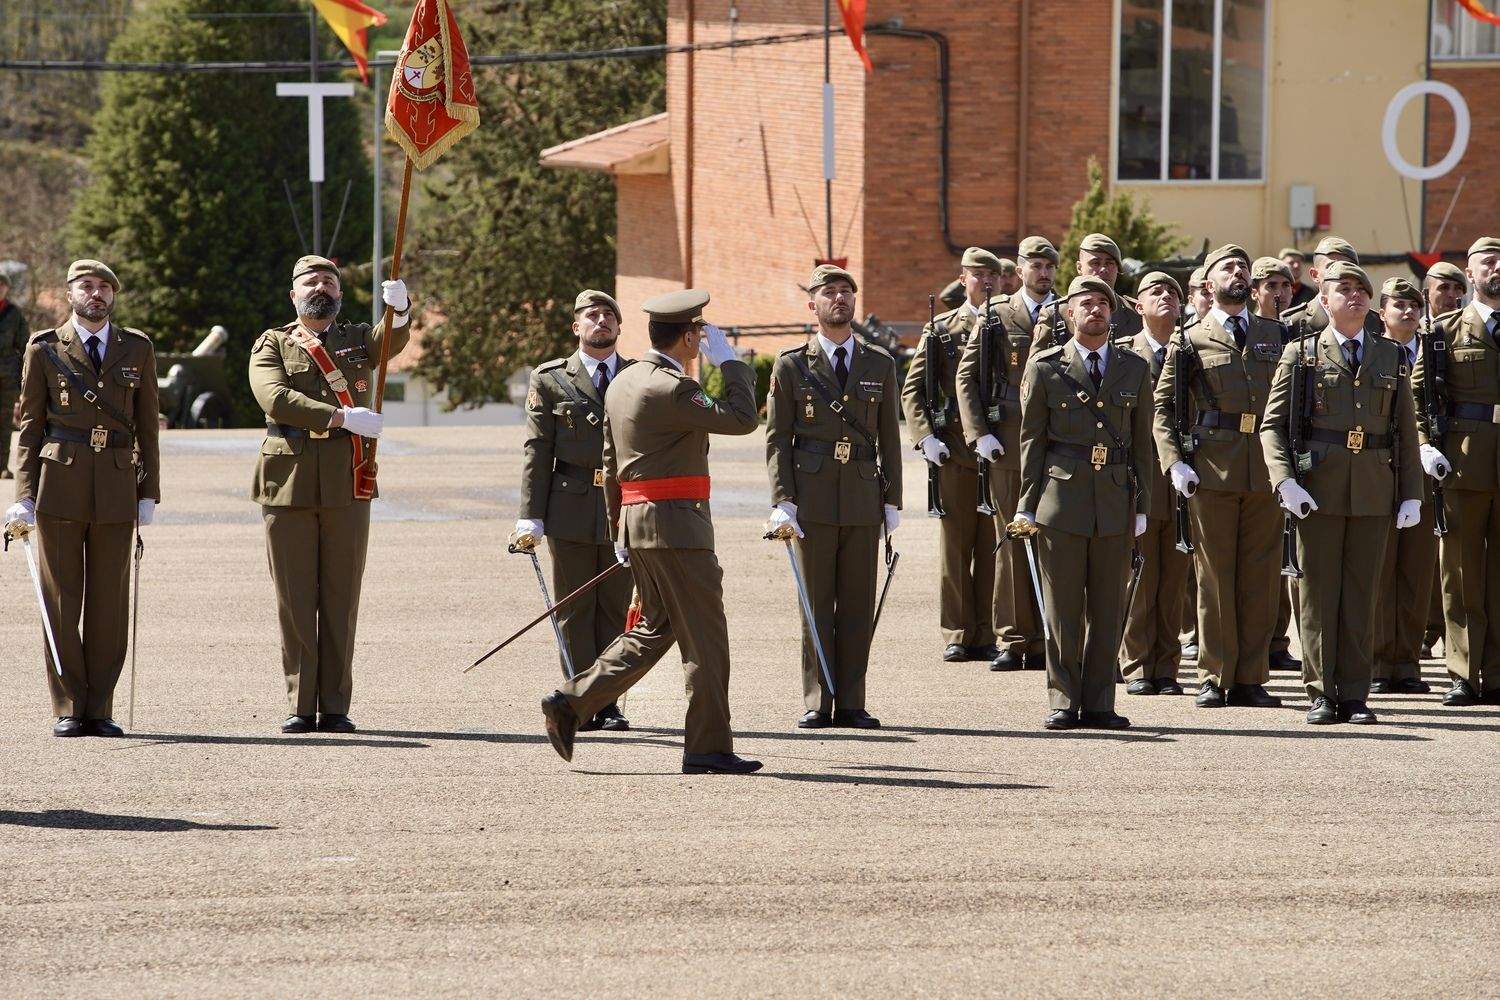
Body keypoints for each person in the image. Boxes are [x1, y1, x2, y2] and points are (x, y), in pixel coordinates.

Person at [539, 289, 763, 774]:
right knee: (705, 638)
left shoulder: (624, 381)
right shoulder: (673, 386)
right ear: (689, 337)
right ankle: (708, 748)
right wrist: (731, 365)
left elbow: (609, 461)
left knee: (653, 630)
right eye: (699, 334)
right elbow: (744, 419)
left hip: (639, 524)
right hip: (678, 527)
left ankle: (570, 701)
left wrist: (618, 525)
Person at [249, 255, 410, 734]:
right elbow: (274, 397)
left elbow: (389, 344)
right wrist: (340, 417)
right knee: (296, 597)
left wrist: (399, 311)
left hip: (347, 476)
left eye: (330, 282)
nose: (322, 287)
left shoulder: (357, 338)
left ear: (340, 295)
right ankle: (301, 703)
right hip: (289, 479)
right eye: (311, 281)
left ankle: (336, 704)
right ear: (293, 294)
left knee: (342, 595)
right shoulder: (273, 342)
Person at [4, 259, 160, 737]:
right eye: (86, 287)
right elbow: (30, 427)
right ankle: (69, 704)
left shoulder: (137, 347)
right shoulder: (44, 348)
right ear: (70, 294)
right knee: (60, 598)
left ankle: (101, 706)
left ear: (113, 296)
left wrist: (147, 491)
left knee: (110, 602)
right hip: (60, 483)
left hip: (115, 481)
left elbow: (147, 426)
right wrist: (23, 495)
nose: (96, 295)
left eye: (104, 289)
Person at [1262, 261, 1420, 724]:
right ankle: (1320, 691)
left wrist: (1411, 492)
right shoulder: (1302, 354)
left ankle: (1354, 693)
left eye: (1360, 290)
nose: (1353, 296)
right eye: (1342, 289)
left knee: (1361, 593)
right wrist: (1285, 480)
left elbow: (1404, 432)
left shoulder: (1390, 356)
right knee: (1317, 593)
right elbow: (1272, 427)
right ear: (1324, 300)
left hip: (1373, 488)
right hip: (1319, 488)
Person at [766, 264, 903, 729]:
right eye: (829, 292)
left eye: (846, 292)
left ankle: (851, 702)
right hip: (813, 496)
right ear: (813, 304)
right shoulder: (792, 364)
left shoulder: (879, 363)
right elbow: (777, 439)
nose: (840, 299)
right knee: (816, 603)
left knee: (858, 602)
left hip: (863, 496)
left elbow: (889, 437)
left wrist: (892, 501)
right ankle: (816, 699)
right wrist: (783, 499)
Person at [1014, 275, 1152, 730]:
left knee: (1108, 608)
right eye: (1085, 304)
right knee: (1063, 608)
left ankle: (1099, 703)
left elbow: (1141, 446)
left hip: (1113, 498)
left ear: (1113, 314)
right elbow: (1032, 441)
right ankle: (1063, 698)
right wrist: (1026, 504)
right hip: (1061, 498)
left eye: (1102, 304)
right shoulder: (1046, 367)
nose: (1095, 310)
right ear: (1068, 313)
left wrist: (1142, 507)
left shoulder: (1133, 369)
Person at [1153, 245, 1283, 710]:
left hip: (1265, 470)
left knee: (1261, 576)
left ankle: (1250, 677)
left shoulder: (1276, 333)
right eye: (1227, 268)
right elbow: (1164, 409)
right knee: (1213, 577)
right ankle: (1214, 673)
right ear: (1208, 284)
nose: (1237, 273)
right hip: (1212, 468)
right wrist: (1174, 462)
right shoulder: (1189, 340)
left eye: (1243, 268)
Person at [515, 290, 634, 731]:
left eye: (608, 316)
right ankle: (579, 701)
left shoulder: (638, 374)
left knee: (616, 609)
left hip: (624, 506)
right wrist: (531, 515)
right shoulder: (549, 379)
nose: (600, 321)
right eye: (591, 315)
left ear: (619, 328)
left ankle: (608, 703)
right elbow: (536, 449)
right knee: (575, 608)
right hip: (569, 503)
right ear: (576, 327)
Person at [956, 236, 1057, 671]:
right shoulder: (997, 315)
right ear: (1019, 270)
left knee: (1056, 543)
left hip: (1056, 443)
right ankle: (1014, 638)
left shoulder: (1069, 312)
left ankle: (1050, 636)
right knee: (1011, 540)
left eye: (1049, 265)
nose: (1043, 272)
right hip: (1009, 441)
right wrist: (978, 433)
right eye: (1035, 265)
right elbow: (966, 376)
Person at [901, 248, 1001, 663]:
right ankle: (958, 631)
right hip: (956, 451)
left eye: (993, 275)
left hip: (999, 452)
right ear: (963, 280)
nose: (987, 282)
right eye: (978, 275)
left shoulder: (1008, 324)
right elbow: (913, 389)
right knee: (956, 547)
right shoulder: (942, 330)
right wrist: (925, 437)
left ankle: (988, 631)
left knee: (994, 544)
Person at [1412, 236, 1500, 707]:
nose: (1497, 268)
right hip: (1465, 460)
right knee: (1462, 571)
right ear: (1470, 272)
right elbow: (1418, 395)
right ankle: (1464, 672)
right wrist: (1426, 445)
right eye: (1488, 261)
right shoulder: (1445, 331)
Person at [1119, 272, 1190, 695]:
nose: (1166, 297)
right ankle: (1138, 663)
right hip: (1140, 474)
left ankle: (1167, 667)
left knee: (1175, 576)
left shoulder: (1191, 350)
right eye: (1155, 292)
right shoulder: (1126, 355)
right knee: (1140, 573)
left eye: (1173, 293)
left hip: (1181, 476)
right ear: (1137, 306)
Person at [1371, 277, 1436, 695]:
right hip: (1378, 472)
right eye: (1399, 305)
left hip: (1424, 473)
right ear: (1383, 313)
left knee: (1416, 570)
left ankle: (1407, 662)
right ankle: (1378, 660)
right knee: (1380, 570)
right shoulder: (1372, 354)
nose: (1408, 312)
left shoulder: (1434, 354)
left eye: (1414, 305)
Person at [1251, 256, 1302, 673]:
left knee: (1285, 550)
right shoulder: (1249, 333)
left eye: (1284, 286)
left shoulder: (1299, 333)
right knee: (1262, 553)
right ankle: (1260, 640)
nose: (1279, 293)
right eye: (1270, 286)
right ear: (1256, 292)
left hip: (1293, 449)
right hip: (1252, 453)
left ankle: (1277, 638)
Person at [1420, 260, 1466, 657]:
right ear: (1426, 294)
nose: (1451, 296)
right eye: (1443, 289)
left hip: (1465, 456)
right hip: (1427, 453)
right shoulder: (1423, 334)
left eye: (1457, 289)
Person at [1281, 237, 1384, 339]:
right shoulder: (1292, 322)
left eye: (1347, 267)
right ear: (1315, 275)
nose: (1340, 274)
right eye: (1331, 267)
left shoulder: (1374, 321)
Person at [0, 271, 29, 480]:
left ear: (7, 288)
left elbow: (24, 347)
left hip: (7, 378)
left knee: (4, 424)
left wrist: (21, 380)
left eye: (2, 285)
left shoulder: (15, 313)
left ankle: (2, 466)